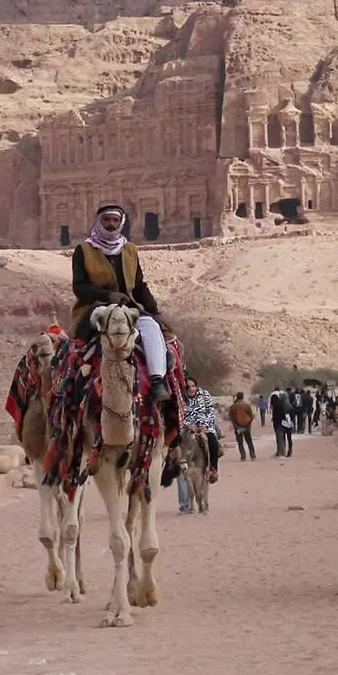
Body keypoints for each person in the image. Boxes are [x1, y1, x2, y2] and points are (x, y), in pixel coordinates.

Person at [70, 204, 170, 404]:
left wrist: (154, 311)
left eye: (115, 220)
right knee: (110, 321)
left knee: (150, 326)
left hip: (128, 308)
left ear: (121, 223)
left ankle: (157, 380)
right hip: (95, 307)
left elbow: (139, 285)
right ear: (99, 222)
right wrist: (108, 295)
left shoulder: (129, 249)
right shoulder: (84, 250)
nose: (111, 224)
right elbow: (79, 287)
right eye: (106, 220)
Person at [183, 375, 221, 483]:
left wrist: (204, 426)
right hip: (188, 427)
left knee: (213, 442)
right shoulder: (181, 398)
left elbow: (210, 412)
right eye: (188, 387)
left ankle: (213, 469)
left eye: (193, 386)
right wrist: (188, 425)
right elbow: (180, 415)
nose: (191, 388)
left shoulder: (205, 394)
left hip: (206, 426)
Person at [228, 391, 256, 461]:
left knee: (240, 442)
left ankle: (243, 457)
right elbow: (251, 416)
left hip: (238, 427)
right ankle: (252, 456)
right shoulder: (247, 405)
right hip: (246, 426)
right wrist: (248, 424)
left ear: (237, 397)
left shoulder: (233, 406)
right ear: (243, 397)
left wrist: (235, 425)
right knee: (249, 441)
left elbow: (231, 417)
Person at [269, 387, 292, 457]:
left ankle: (282, 452)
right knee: (284, 437)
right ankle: (283, 451)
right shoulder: (283, 405)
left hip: (280, 423)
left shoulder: (278, 406)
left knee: (280, 438)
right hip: (286, 423)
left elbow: (278, 415)